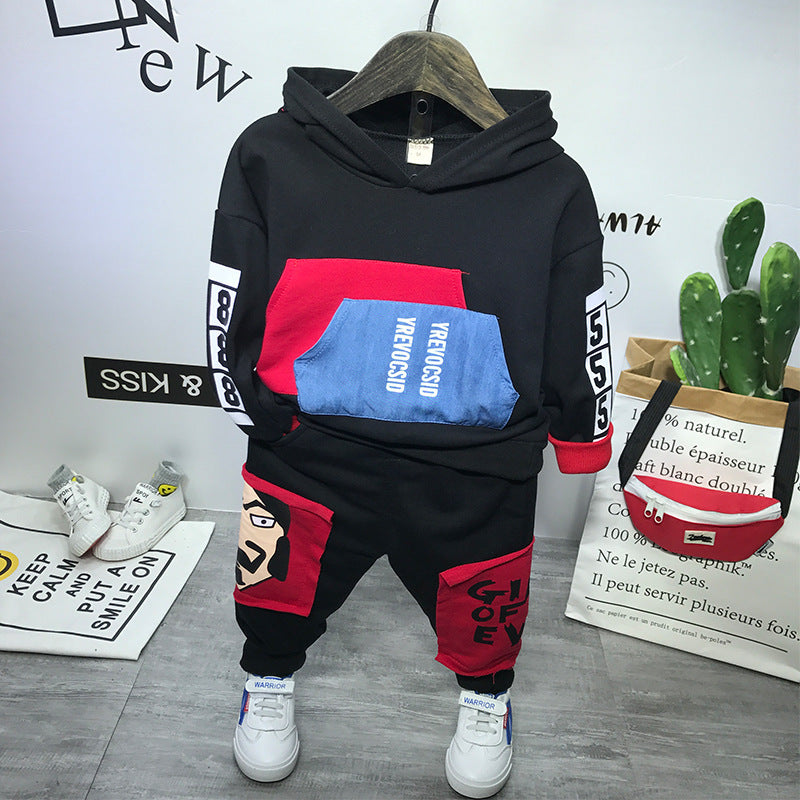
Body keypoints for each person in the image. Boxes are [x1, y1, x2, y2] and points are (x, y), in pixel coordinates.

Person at [207, 64, 612, 799]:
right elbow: (232, 284)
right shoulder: (271, 152)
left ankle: (486, 697)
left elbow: (578, 313)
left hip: (476, 458)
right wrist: (253, 408)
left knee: (485, 608)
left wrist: (583, 432)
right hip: (312, 446)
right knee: (276, 590)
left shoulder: (551, 182)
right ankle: (266, 679)